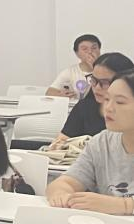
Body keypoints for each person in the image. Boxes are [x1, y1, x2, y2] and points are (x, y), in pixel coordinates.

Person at [46, 70, 134, 215]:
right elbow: (65, 182)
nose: (108, 108)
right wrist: (61, 194)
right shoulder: (101, 142)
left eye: (120, 102)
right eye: (107, 99)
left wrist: (123, 205)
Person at [53, 52, 134, 144]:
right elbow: (61, 140)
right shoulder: (84, 107)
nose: (97, 87)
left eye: (104, 82)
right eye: (94, 80)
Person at [48, 34, 102, 98]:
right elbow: (49, 92)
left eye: (94, 48)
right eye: (85, 49)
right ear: (77, 53)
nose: (90, 51)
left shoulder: (108, 70)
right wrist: (61, 95)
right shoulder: (70, 72)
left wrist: (94, 67)